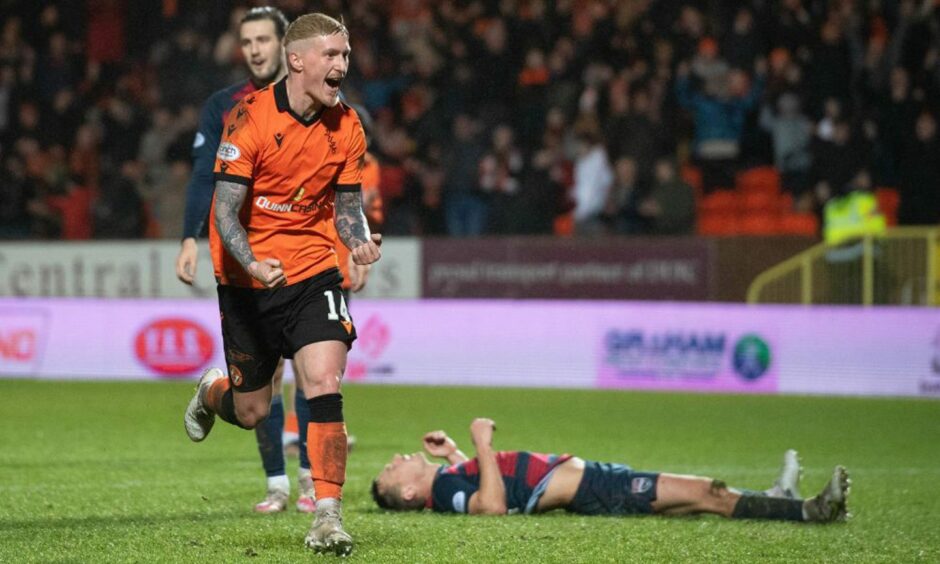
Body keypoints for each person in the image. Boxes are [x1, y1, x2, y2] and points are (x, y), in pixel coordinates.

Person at [183, 12, 380, 556]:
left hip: (313, 268)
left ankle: (327, 514)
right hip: (246, 279)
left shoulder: (349, 124)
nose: (342, 65)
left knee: (323, 381)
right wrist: (252, 260)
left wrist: (358, 240)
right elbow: (224, 212)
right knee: (250, 412)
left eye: (346, 55)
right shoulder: (248, 117)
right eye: (332, 55)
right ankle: (211, 390)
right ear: (298, 61)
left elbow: (346, 210)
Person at [171, 7, 320, 516]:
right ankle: (275, 482)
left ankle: (307, 483)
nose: (255, 49)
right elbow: (203, 174)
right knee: (262, 392)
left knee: (313, 364)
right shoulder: (223, 105)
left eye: (263, 39)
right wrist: (191, 236)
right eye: (247, 41)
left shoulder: (315, 98)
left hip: (303, 247)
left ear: (285, 44)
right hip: (243, 254)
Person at [371, 418, 850, 524]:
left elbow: (481, 487)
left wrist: (456, 453)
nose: (395, 461)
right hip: (598, 488)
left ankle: (781, 499)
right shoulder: (447, 493)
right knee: (709, 492)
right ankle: (810, 510)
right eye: (391, 473)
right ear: (410, 494)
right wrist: (480, 442)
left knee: (704, 497)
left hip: (596, 479)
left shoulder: (449, 480)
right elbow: (492, 506)